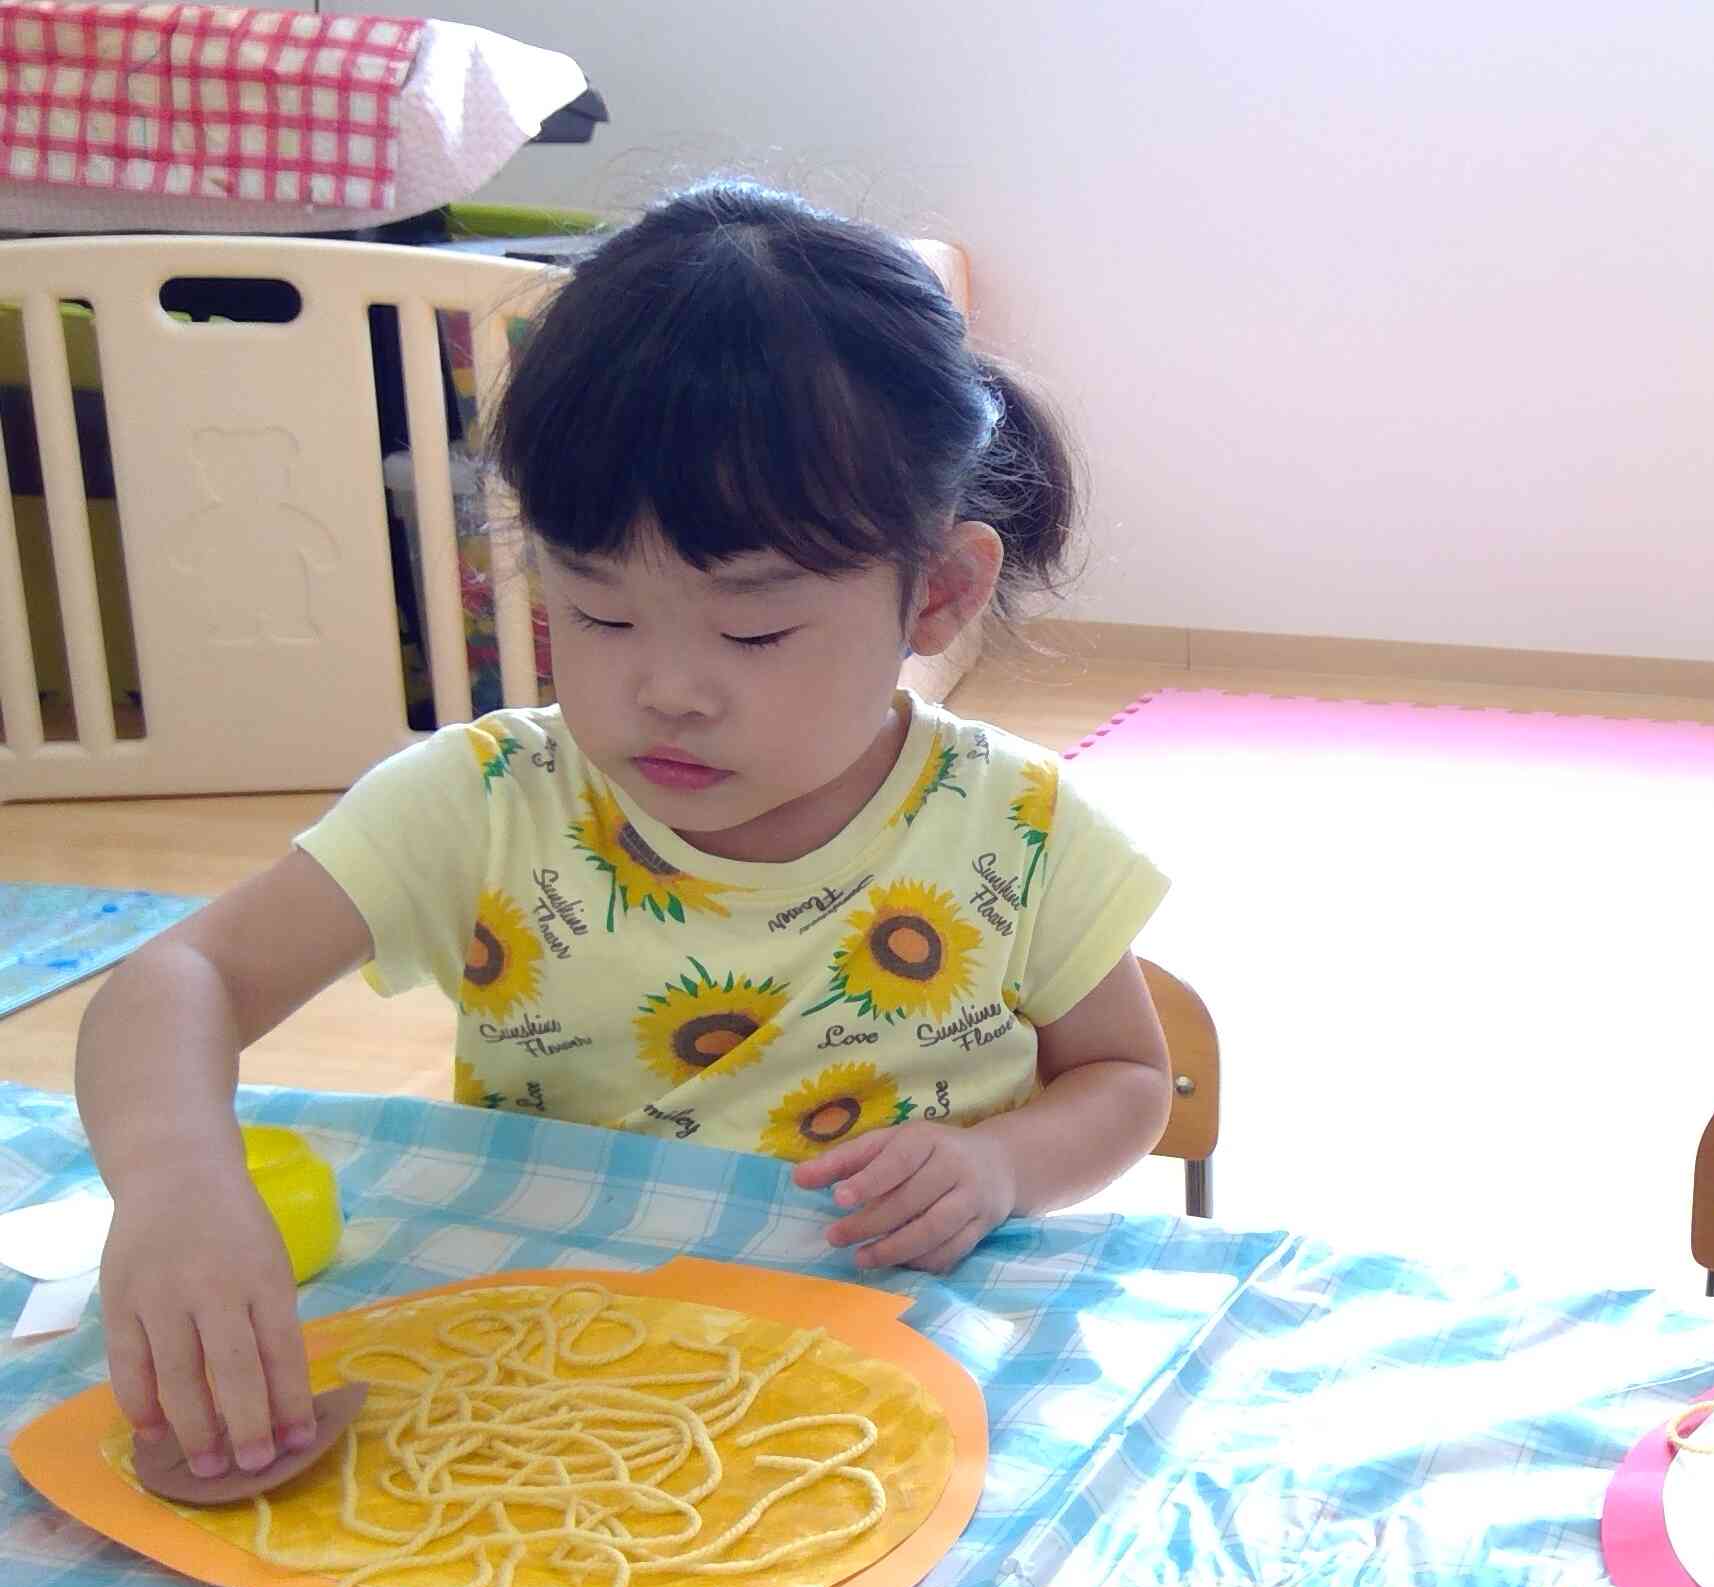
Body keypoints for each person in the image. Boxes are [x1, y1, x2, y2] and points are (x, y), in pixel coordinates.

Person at [83, 182, 1172, 1484]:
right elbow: (175, 978)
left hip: (895, 1396)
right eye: (597, 614)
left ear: (936, 593)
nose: (667, 688)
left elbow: (1127, 1083)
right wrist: (175, 1183)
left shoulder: (1018, 830)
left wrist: (998, 1167)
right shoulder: (490, 803)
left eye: (753, 632)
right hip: (556, 1399)